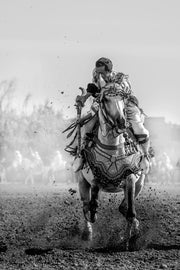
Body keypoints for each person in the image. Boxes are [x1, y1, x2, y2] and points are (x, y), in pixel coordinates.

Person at [72, 57, 150, 173]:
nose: (100, 75)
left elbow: (125, 92)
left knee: (140, 129)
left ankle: (145, 156)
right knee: (87, 125)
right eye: (98, 72)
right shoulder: (96, 76)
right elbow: (92, 89)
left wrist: (106, 91)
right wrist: (83, 98)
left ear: (109, 70)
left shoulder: (120, 78)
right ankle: (82, 154)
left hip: (125, 106)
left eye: (102, 72)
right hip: (104, 106)